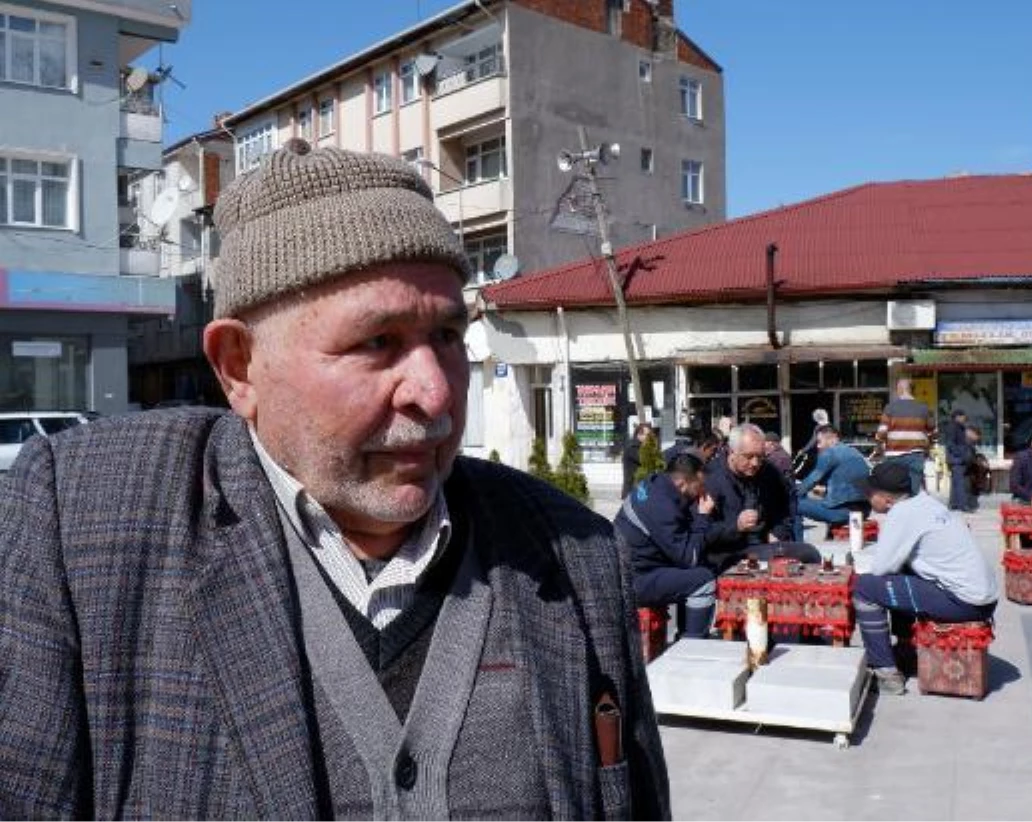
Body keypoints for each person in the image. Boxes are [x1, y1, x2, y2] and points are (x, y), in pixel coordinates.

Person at [0, 142, 669, 818]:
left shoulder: (573, 552)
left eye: (447, 336)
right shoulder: (80, 528)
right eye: (377, 342)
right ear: (239, 366)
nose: (435, 394)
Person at [851, 461, 999, 695]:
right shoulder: (925, 502)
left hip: (964, 601)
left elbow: (880, 569)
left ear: (887, 499)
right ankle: (906, 652)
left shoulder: (901, 513)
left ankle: (885, 672)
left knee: (866, 587)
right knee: (899, 574)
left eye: (870, 493)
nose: (867, 497)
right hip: (983, 597)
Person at [614, 452, 717, 638]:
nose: (702, 490)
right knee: (704, 580)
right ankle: (691, 647)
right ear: (682, 483)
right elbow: (690, 558)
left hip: (628, 569)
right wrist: (702, 517)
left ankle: (684, 636)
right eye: (699, 485)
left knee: (693, 574)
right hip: (631, 581)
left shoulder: (655, 484)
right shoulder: (663, 507)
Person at [703, 423, 818, 569]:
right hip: (728, 551)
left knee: (809, 553)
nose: (755, 463)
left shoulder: (768, 471)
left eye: (760, 456)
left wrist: (779, 532)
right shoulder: (712, 479)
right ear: (732, 451)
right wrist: (735, 526)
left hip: (763, 544)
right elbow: (703, 532)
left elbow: (787, 501)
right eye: (749, 456)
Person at [792, 425, 870, 530]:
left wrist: (792, 493)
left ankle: (796, 542)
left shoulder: (830, 453)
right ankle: (831, 533)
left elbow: (813, 479)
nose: (818, 446)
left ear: (832, 438)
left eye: (819, 442)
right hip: (864, 510)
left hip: (843, 512)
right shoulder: (855, 452)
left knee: (792, 503)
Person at [875, 378, 936, 494]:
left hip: (894, 456)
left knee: (895, 491)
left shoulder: (890, 408)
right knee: (914, 490)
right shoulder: (924, 408)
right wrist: (928, 447)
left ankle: (899, 510)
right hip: (916, 455)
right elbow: (933, 433)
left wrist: (879, 445)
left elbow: (881, 433)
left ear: (900, 389)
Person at [943, 409, 973, 512]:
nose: (965, 418)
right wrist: (962, 455)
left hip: (957, 459)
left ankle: (953, 503)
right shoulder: (952, 427)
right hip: (956, 459)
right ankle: (963, 505)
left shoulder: (959, 427)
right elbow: (951, 444)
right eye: (963, 416)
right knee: (960, 482)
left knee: (956, 482)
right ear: (958, 416)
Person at [622, 421, 653, 497]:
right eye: (647, 435)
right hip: (633, 491)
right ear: (639, 435)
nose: (649, 438)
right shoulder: (632, 448)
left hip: (642, 489)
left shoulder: (644, 448)